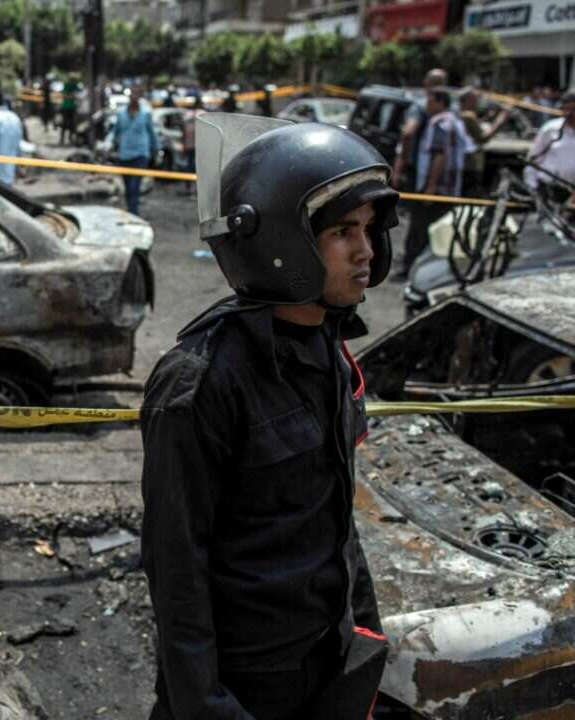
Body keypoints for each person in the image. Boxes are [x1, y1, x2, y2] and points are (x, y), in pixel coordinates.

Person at [142, 113, 395, 720]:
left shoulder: (327, 349)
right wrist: (207, 706)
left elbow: (335, 518)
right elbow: (177, 572)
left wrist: (365, 633)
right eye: (342, 233)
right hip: (249, 680)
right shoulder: (201, 382)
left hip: (326, 661)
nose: (364, 251)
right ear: (281, 242)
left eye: (367, 230)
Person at [400, 89, 465, 278]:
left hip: (436, 189)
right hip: (449, 188)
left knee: (420, 230)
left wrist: (430, 187)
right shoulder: (455, 121)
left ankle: (413, 270)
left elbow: (439, 156)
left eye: (429, 101)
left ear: (440, 103)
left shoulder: (439, 123)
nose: (426, 105)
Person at [523, 90, 575, 195]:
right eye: (565, 109)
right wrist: (532, 187)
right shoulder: (551, 129)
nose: (568, 113)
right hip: (548, 190)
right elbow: (533, 160)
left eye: (573, 109)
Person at [392, 68, 448, 191]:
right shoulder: (450, 108)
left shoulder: (419, 106)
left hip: (419, 170)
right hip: (444, 172)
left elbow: (407, 133)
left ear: (426, 83)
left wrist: (400, 167)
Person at [107, 85, 159, 216]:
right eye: (132, 95)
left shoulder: (146, 113)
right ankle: (131, 210)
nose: (134, 97)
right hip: (124, 155)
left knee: (134, 186)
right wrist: (107, 142)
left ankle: (134, 213)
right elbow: (114, 131)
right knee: (128, 187)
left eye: (137, 95)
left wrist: (156, 148)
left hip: (141, 154)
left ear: (140, 97)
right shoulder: (120, 113)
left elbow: (151, 132)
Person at [457, 88, 510, 195]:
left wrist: (490, 117)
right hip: (471, 164)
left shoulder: (462, 114)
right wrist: (500, 120)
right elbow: (483, 138)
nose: (477, 101)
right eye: (474, 99)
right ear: (467, 100)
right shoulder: (467, 116)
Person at [59, 74, 80, 145]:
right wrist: (72, 96)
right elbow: (65, 95)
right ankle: (62, 139)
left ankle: (70, 139)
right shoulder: (67, 85)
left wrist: (72, 96)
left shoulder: (75, 86)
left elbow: (77, 95)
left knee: (72, 124)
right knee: (65, 124)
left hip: (72, 107)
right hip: (66, 107)